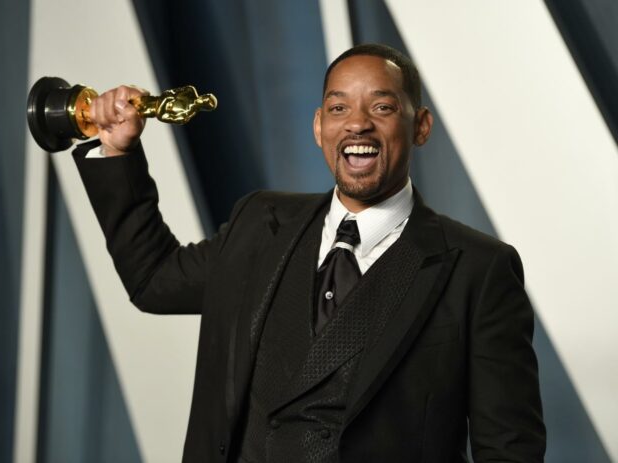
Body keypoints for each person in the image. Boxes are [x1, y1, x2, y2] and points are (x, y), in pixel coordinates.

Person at [73, 44, 545, 462]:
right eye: (338, 107)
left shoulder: (478, 270)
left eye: (381, 106)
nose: (357, 122)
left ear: (420, 126)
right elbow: (154, 280)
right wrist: (118, 153)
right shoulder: (260, 224)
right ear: (320, 127)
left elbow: (509, 449)